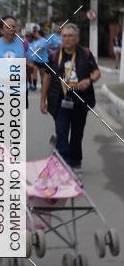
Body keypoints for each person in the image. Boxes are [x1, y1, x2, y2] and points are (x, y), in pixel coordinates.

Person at [40, 23, 100, 171]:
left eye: (70, 36)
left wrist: (89, 80)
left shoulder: (86, 54)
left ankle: (75, 161)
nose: (67, 39)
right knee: (61, 131)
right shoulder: (54, 56)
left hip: (80, 100)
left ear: (77, 38)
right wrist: (43, 99)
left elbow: (96, 72)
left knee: (77, 133)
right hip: (59, 100)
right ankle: (64, 162)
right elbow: (47, 77)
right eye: (64, 36)